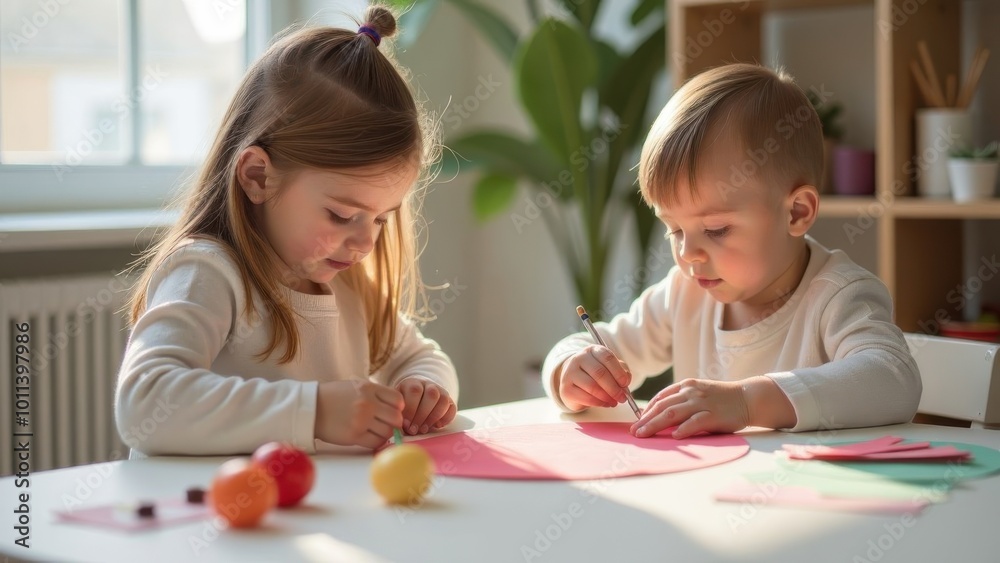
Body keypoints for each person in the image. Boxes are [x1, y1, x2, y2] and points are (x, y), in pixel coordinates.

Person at [115, 5, 458, 456]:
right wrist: (314, 411)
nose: (365, 243)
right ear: (258, 177)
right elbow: (144, 403)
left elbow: (422, 356)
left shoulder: (350, 285)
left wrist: (423, 388)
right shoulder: (209, 272)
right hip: (211, 520)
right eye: (340, 215)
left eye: (381, 219)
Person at [543, 63, 920, 439]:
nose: (688, 253)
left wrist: (745, 402)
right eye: (673, 229)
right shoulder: (683, 295)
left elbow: (892, 378)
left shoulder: (839, 295)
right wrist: (571, 370)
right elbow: (593, 344)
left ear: (797, 212)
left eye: (715, 229)